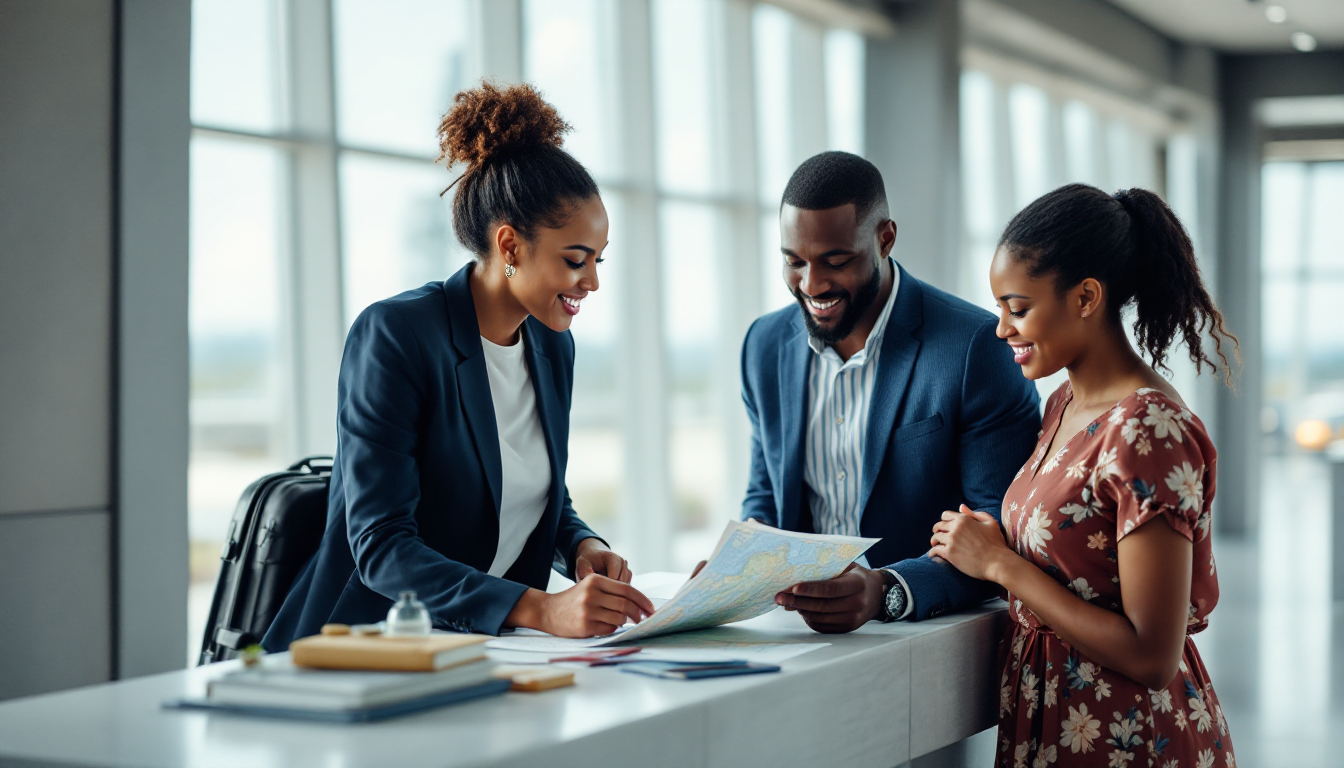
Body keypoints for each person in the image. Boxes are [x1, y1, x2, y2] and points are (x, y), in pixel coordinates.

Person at [264, 82, 653, 649]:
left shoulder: (550, 345)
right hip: (365, 649)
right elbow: (382, 546)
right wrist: (540, 609)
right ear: (510, 246)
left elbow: (532, 487)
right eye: (575, 260)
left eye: (598, 259)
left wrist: (580, 547)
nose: (592, 281)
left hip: (486, 650)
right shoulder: (397, 335)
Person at [929, 183, 1238, 767]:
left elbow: (1153, 656)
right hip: (1052, 716)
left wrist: (999, 564)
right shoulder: (1061, 404)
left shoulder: (1149, 429)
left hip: (1126, 736)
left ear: (1087, 297)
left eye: (1018, 308)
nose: (1001, 329)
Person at [733, 151, 1041, 631]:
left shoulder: (975, 348)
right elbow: (765, 496)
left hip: (929, 642)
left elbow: (1000, 530)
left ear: (885, 238)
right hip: (795, 640)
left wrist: (889, 590)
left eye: (836, 261)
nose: (811, 284)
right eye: (794, 262)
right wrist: (734, 568)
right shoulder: (763, 345)